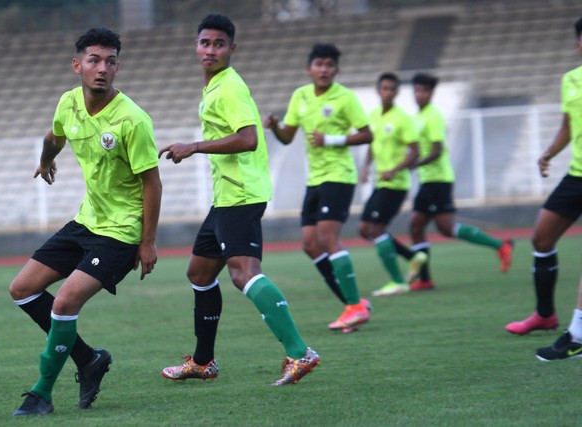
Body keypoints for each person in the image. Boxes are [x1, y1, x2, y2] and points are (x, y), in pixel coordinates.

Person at [158, 14, 319, 386]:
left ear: (232, 48)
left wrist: (194, 146)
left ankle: (299, 352)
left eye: (219, 44)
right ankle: (202, 362)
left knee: (244, 274)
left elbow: (249, 138)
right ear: (196, 46)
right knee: (199, 272)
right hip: (226, 197)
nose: (210, 49)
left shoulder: (229, 87)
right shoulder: (215, 86)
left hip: (241, 195)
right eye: (205, 43)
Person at [9, 28, 162, 416]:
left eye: (110, 62)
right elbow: (54, 135)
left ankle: (41, 393)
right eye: (94, 60)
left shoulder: (132, 120)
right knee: (22, 288)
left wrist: (147, 242)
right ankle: (89, 359)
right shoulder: (68, 103)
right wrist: (46, 159)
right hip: (87, 220)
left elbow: (152, 182)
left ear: (117, 67)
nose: (102, 69)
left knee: (65, 301)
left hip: (121, 231)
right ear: (78, 65)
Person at [263, 43, 372, 333]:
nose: (324, 69)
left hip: (339, 176)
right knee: (310, 245)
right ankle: (354, 303)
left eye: (330, 65)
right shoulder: (300, 96)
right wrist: (275, 126)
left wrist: (333, 140)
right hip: (315, 180)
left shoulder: (345, 98)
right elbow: (287, 136)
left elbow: (367, 134)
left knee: (327, 238)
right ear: (309, 68)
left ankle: (355, 307)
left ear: (336, 69)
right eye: (319, 64)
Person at [404, 72, 514, 292]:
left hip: (439, 180)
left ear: (431, 93)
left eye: (423, 90)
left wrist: (416, 163)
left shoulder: (433, 116)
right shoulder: (418, 116)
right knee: (416, 226)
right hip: (428, 181)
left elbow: (437, 150)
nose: (419, 94)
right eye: (416, 90)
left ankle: (500, 245)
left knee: (445, 228)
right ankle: (425, 279)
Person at [507, 17, 582, 336]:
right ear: (578, 43)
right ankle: (545, 315)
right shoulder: (570, 80)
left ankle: (577, 332)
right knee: (541, 236)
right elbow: (568, 125)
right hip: (576, 175)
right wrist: (549, 153)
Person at [359, 72, 419, 297]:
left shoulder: (403, 118)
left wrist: (395, 169)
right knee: (366, 229)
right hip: (380, 183)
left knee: (374, 229)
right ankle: (413, 257)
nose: (387, 92)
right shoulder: (373, 115)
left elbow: (415, 151)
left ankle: (397, 280)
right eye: (384, 88)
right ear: (378, 90)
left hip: (396, 184)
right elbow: (371, 146)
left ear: (396, 92)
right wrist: (366, 167)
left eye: (391, 89)